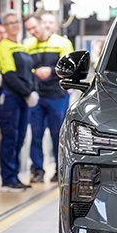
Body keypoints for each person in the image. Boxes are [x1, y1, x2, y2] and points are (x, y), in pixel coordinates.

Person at [24, 13, 74, 183]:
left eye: (34, 27)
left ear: (42, 24)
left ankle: (60, 170)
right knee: (36, 134)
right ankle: (37, 171)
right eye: (29, 29)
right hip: (37, 96)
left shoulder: (62, 43)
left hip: (57, 95)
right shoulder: (28, 45)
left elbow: (70, 68)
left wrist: (51, 71)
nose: (32, 32)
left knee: (58, 134)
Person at [0, 11, 38, 192]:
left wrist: (33, 90)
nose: (14, 25)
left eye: (16, 22)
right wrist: (27, 92)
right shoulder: (4, 46)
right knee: (10, 139)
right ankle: (8, 179)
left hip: (24, 99)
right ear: (5, 27)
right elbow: (9, 74)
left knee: (20, 138)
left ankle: (15, 177)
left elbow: (31, 72)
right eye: (10, 23)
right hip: (11, 98)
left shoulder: (22, 47)